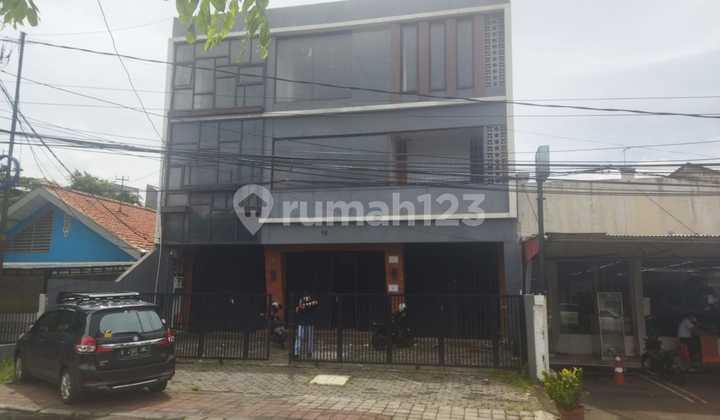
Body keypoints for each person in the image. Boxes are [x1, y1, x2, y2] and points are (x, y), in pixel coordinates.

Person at [294, 292, 319, 358]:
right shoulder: (301, 299)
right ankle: (296, 353)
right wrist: (302, 306)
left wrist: (305, 305)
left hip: (310, 322)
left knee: (310, 338)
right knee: (299, 337)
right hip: (302, 322)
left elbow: (315, 303)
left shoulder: (313, 299)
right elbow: (298, 309)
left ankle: (309, 352)